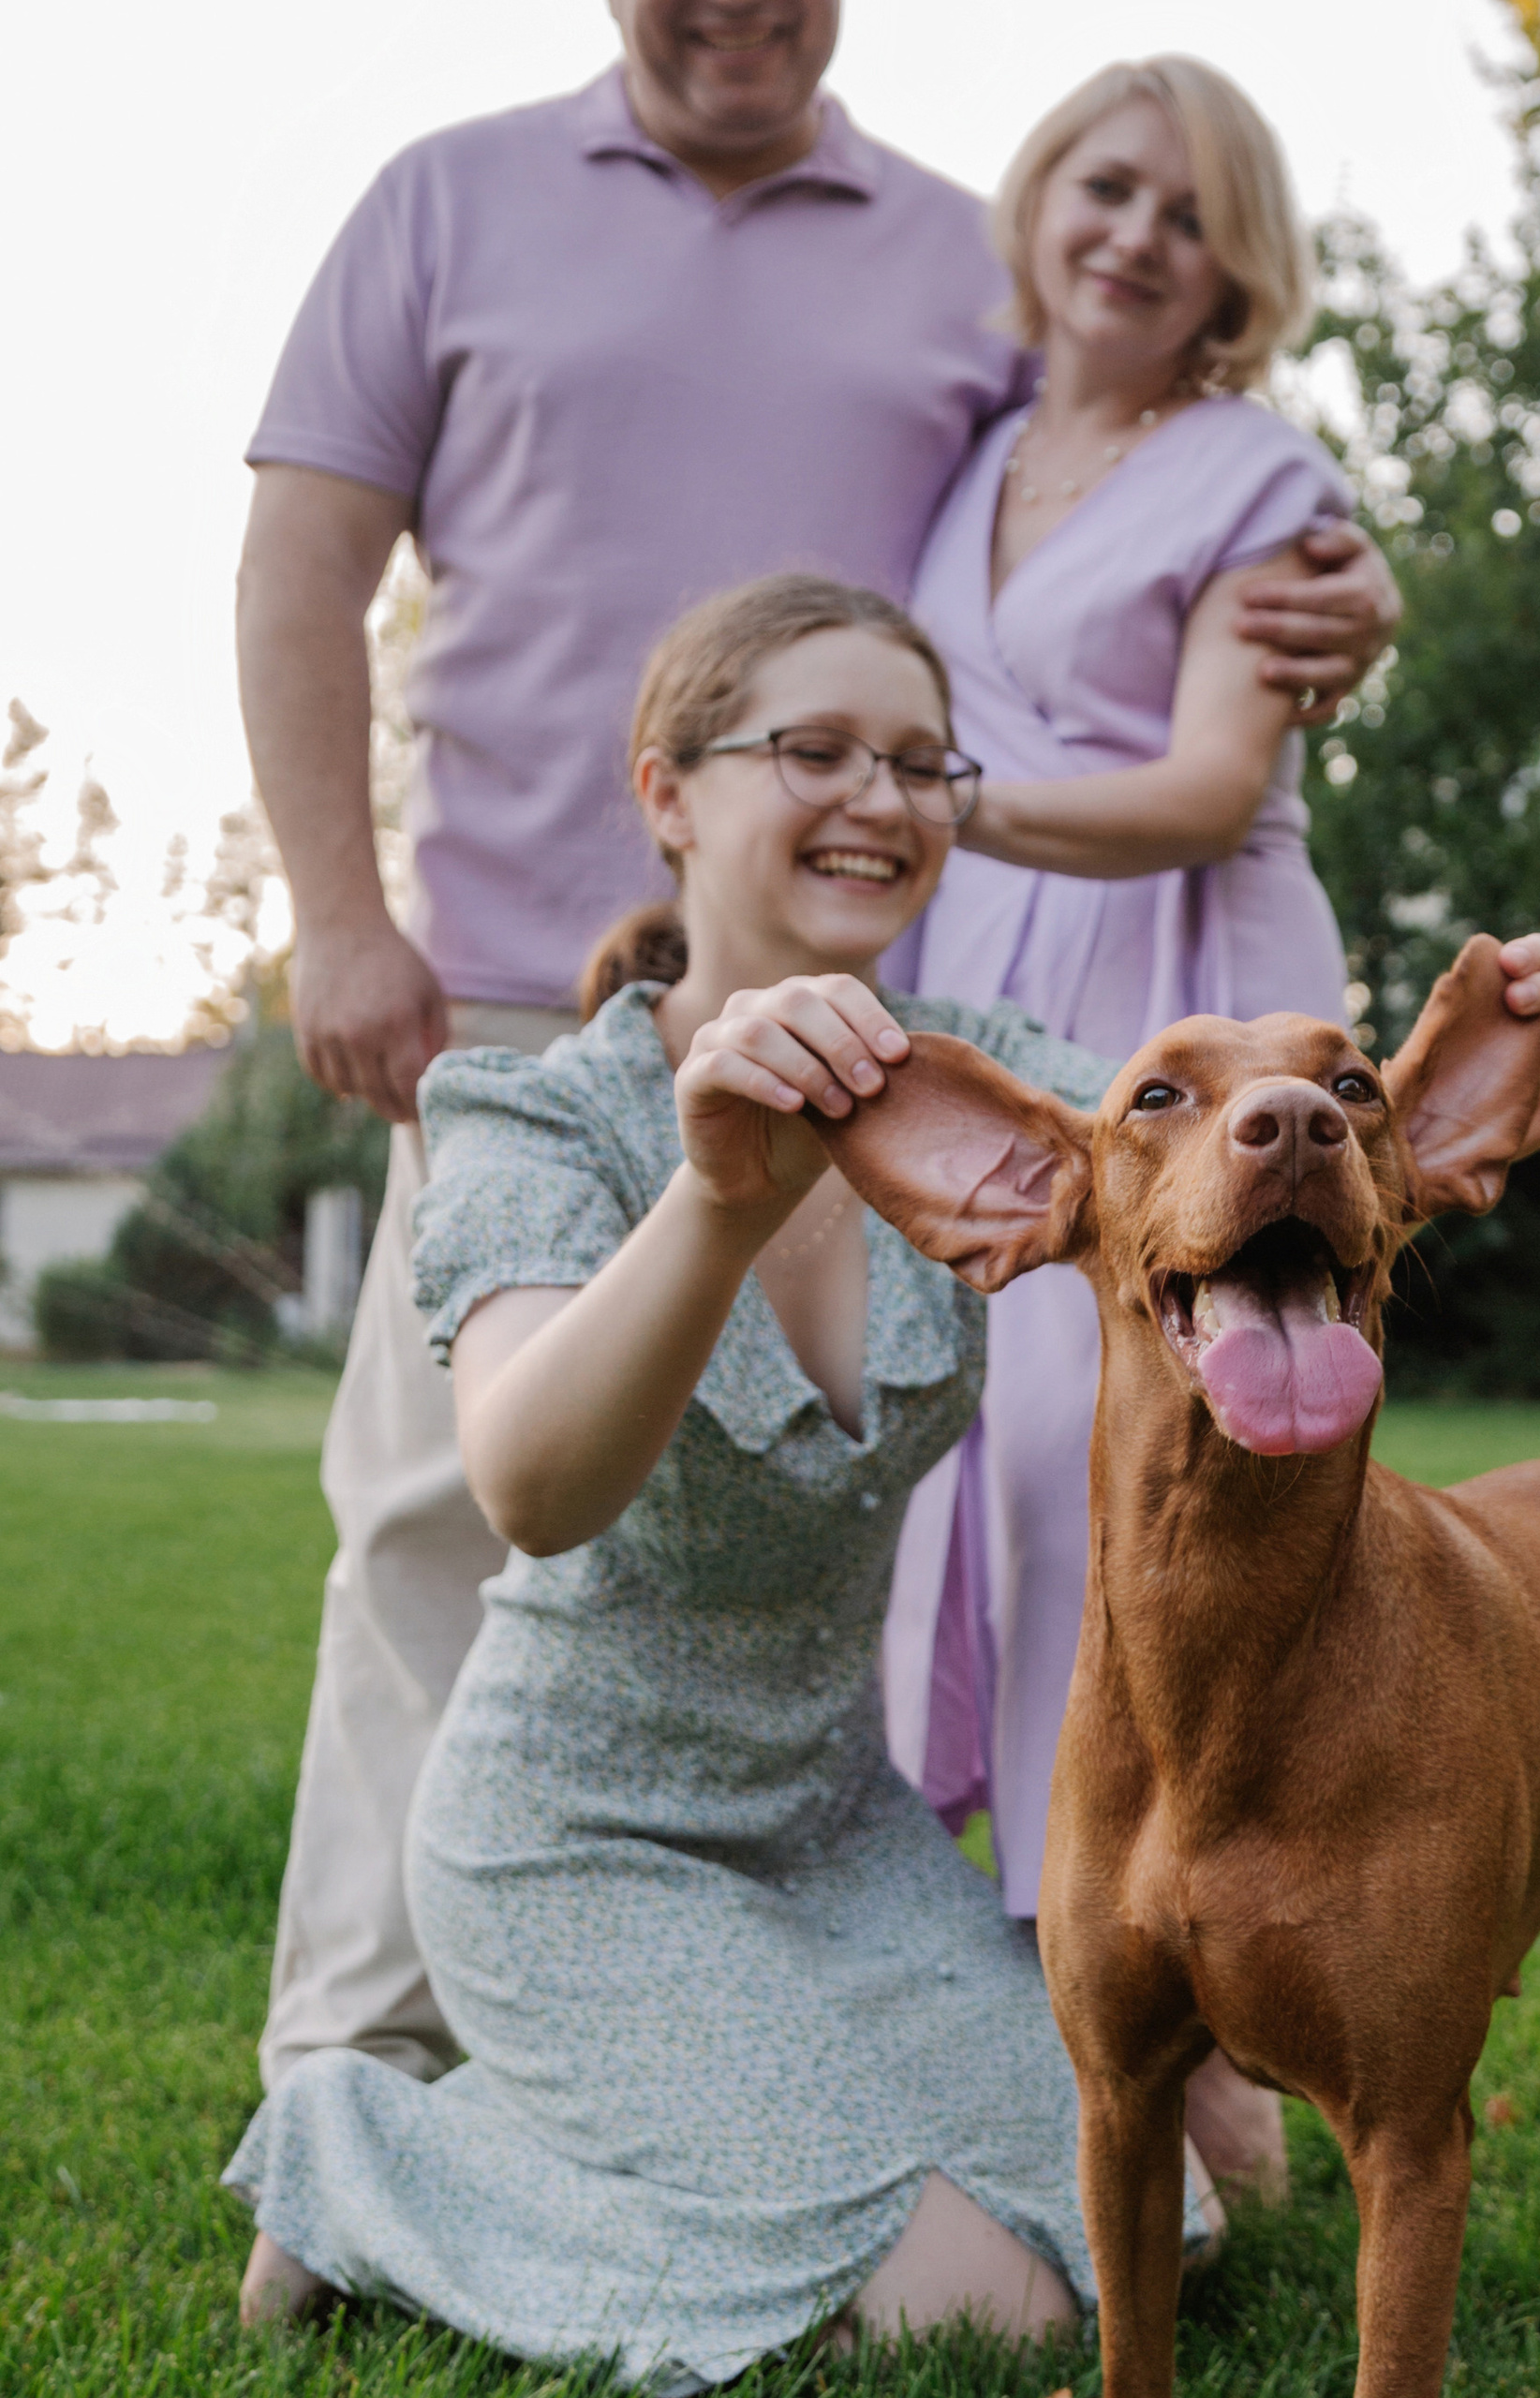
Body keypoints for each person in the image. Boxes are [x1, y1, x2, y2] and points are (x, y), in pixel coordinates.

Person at [226, 574, 1540, 2380]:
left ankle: (678, 2128)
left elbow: (1248, 1108)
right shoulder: (526, 1110)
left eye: (921, 763)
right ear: (668, 793)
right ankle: (376, 2155)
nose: (880, 798)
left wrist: (1434, 1106)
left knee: (1164, 2211)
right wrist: (721, 1199)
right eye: (815, 750)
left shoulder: (982, 1089)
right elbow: (532, 1488)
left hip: (838, 1834)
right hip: (580, 1841)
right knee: (977, 2300)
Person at [239, 0, 1400, 2099]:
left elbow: (1164, 457)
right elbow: (305, 559)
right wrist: (338, 911)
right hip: (511, 963)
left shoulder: (957, 266)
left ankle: (942, 1974)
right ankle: (359, 2049)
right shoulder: (447, 200)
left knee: (951, 1495)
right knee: (442, 1513)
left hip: (905, 1002)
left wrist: (1346, 575)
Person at [873, 60, 1457, 2185]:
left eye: (1188, 215)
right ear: (1037, 199)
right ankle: (1044, 1964)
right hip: (993, 962)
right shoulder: (971, 443)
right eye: (1104, 187)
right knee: (971, 1438)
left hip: (1178, 975)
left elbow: (1210, 781)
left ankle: (1181, 2015)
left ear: (1238, 269)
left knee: (1087, 1449)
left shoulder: (1257, 474)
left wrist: (918, 803)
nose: (1133, 235)